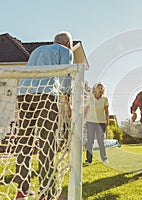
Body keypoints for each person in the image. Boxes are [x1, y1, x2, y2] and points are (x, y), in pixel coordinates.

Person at [15, 32, 73, 200]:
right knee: (46, 143)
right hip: (46, 95)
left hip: (24, 94)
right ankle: (46, 192)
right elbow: (66, 75)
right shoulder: (65, 51)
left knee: (24, 142)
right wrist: (68, 98)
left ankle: (22, 190)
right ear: (67, 43)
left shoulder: (37, 50)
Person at [84, 82, 109, 165]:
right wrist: (83, 120)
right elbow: (86, 110)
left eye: (101, 88)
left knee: (100, 141)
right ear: (95, 89)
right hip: (90, 122)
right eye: (99, 87)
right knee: (90, 141)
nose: (100, 89)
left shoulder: (105, 99)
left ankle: (104, 158)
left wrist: (107, 121)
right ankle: (88, 160)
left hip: (101, 122)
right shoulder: (90, 99)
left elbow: (106, 111)